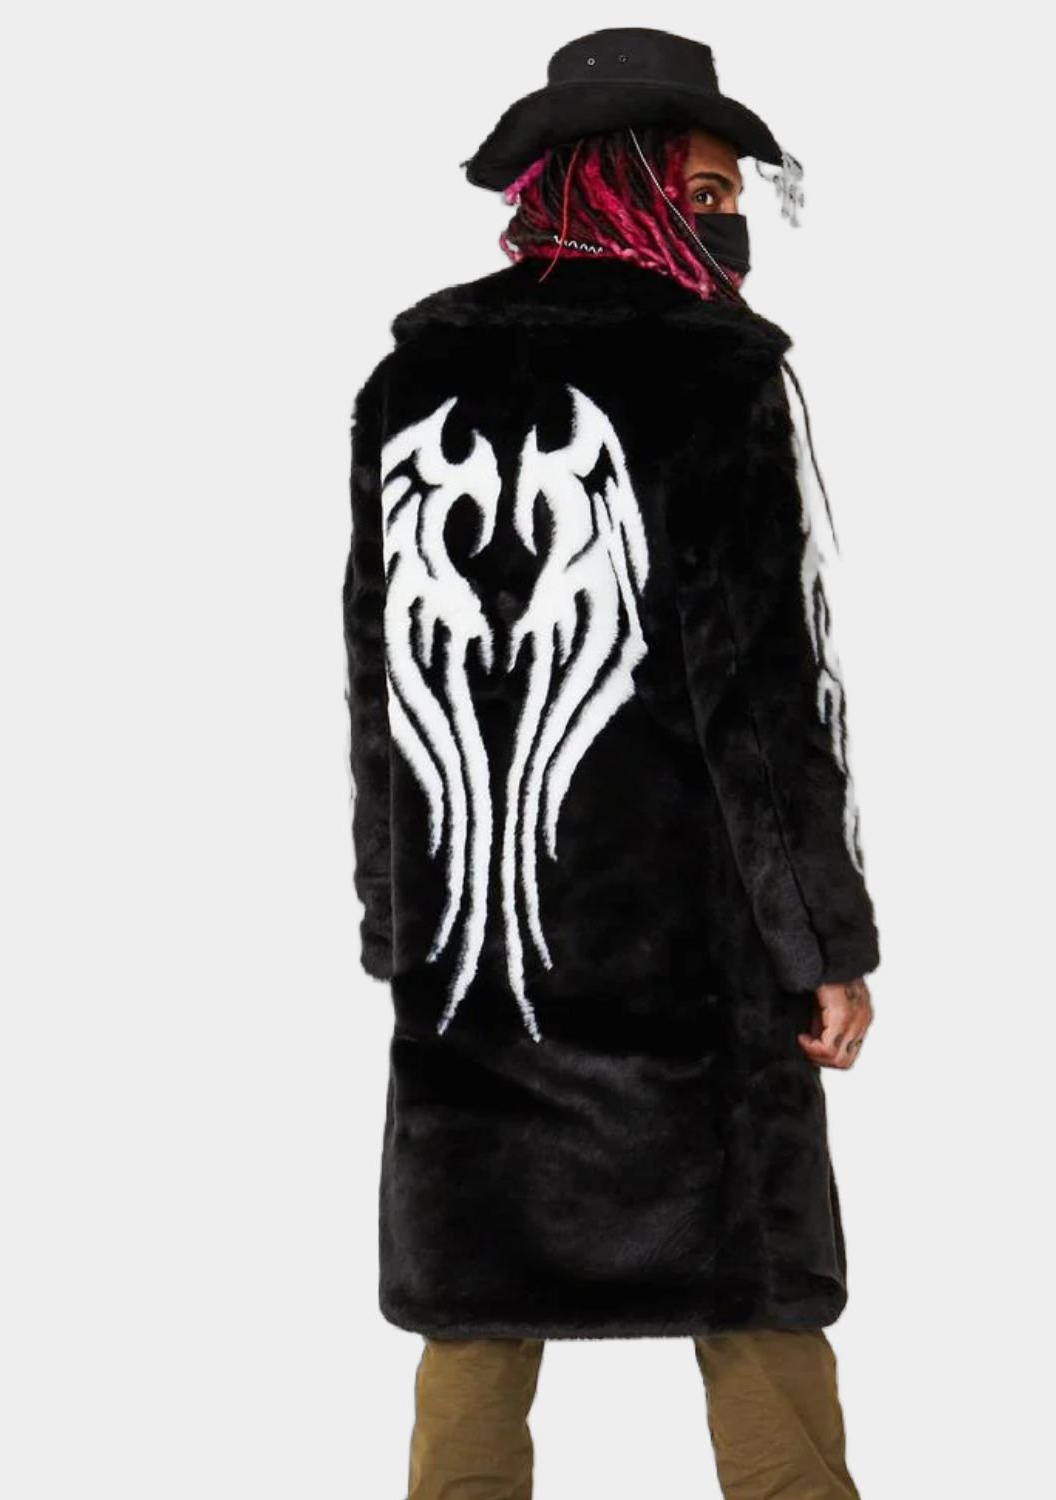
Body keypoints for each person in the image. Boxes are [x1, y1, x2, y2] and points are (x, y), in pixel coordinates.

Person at [342, 26, 882, 1500]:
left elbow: (381, 687)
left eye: (734, 198)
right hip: (693, 959)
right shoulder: (712, 371)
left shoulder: (409, 384)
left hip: (479, 957)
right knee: (757, 1292)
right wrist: (821, 943)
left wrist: (400, 929)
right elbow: (760, 694)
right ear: (621, 181)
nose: (728, 224)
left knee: (477, 1299)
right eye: (703, 191)